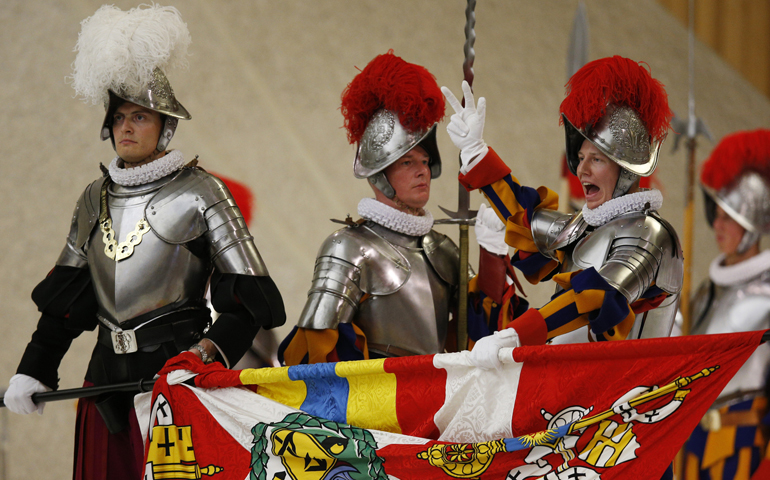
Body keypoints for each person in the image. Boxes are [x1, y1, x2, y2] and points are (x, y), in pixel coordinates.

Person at [3, 5, 285, 480]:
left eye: (140, 116)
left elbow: (250, 304)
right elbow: (67, 303)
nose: (127, 127)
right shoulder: (93, 197)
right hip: (103, 384)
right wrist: (34, 369)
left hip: (175, 383)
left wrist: (202, 356)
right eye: (119, 117)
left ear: (165, 126)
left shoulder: (203, 191)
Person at [279, 51, 521, 364]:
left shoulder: (444, 250)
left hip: (436, 396)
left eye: (424, 161)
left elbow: (481, 336)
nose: (422, 170)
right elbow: (316, 354)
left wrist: (491, 253)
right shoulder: (348, 247)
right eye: (407, 162)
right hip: (375, 403)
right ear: (380, 176)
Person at [441, 56, 684, 365]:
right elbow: (529, 221)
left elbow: (597, 296)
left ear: (626, 170)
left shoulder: (652, 235)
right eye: (580, 157)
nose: (582, 170)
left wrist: (518, 335)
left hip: (628, 403)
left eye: (596, 159)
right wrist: (477, 153)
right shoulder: (587, 226)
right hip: (577, 397)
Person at [684, 129, 770, 480]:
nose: (717, 225)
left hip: (742, 446)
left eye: (729, 218)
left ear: (753, 227)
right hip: (691, 439)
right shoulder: (705, 291)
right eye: (716, 213)